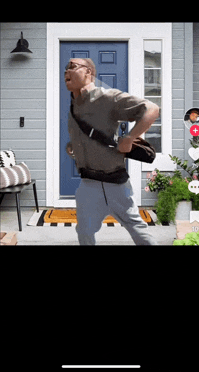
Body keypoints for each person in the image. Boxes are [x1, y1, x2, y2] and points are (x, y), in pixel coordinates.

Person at [65, 58, 159, 245]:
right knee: (84, 232)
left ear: (88, 72)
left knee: (137, 229)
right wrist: (73, 147)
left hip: (115, 183)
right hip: (88, 184)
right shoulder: (74, 106)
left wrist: (130, 138)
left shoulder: (107, 97)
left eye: (73, 67)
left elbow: (152, 109)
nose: (67, 71)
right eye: (66, 68)